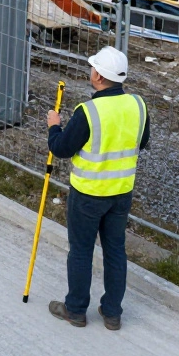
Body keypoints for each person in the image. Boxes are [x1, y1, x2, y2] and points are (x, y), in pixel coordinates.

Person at [46, 46, 149, 331]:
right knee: (115, 250)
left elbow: (61, 149)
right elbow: (141, 141)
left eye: (94, 68)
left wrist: (54, 126)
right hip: (121, 193)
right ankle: (112, 313)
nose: (91, 72)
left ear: (99, 77)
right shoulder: (138, 105)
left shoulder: (88, 111)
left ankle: (76, 310)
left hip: (88, 194)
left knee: (80, 250)